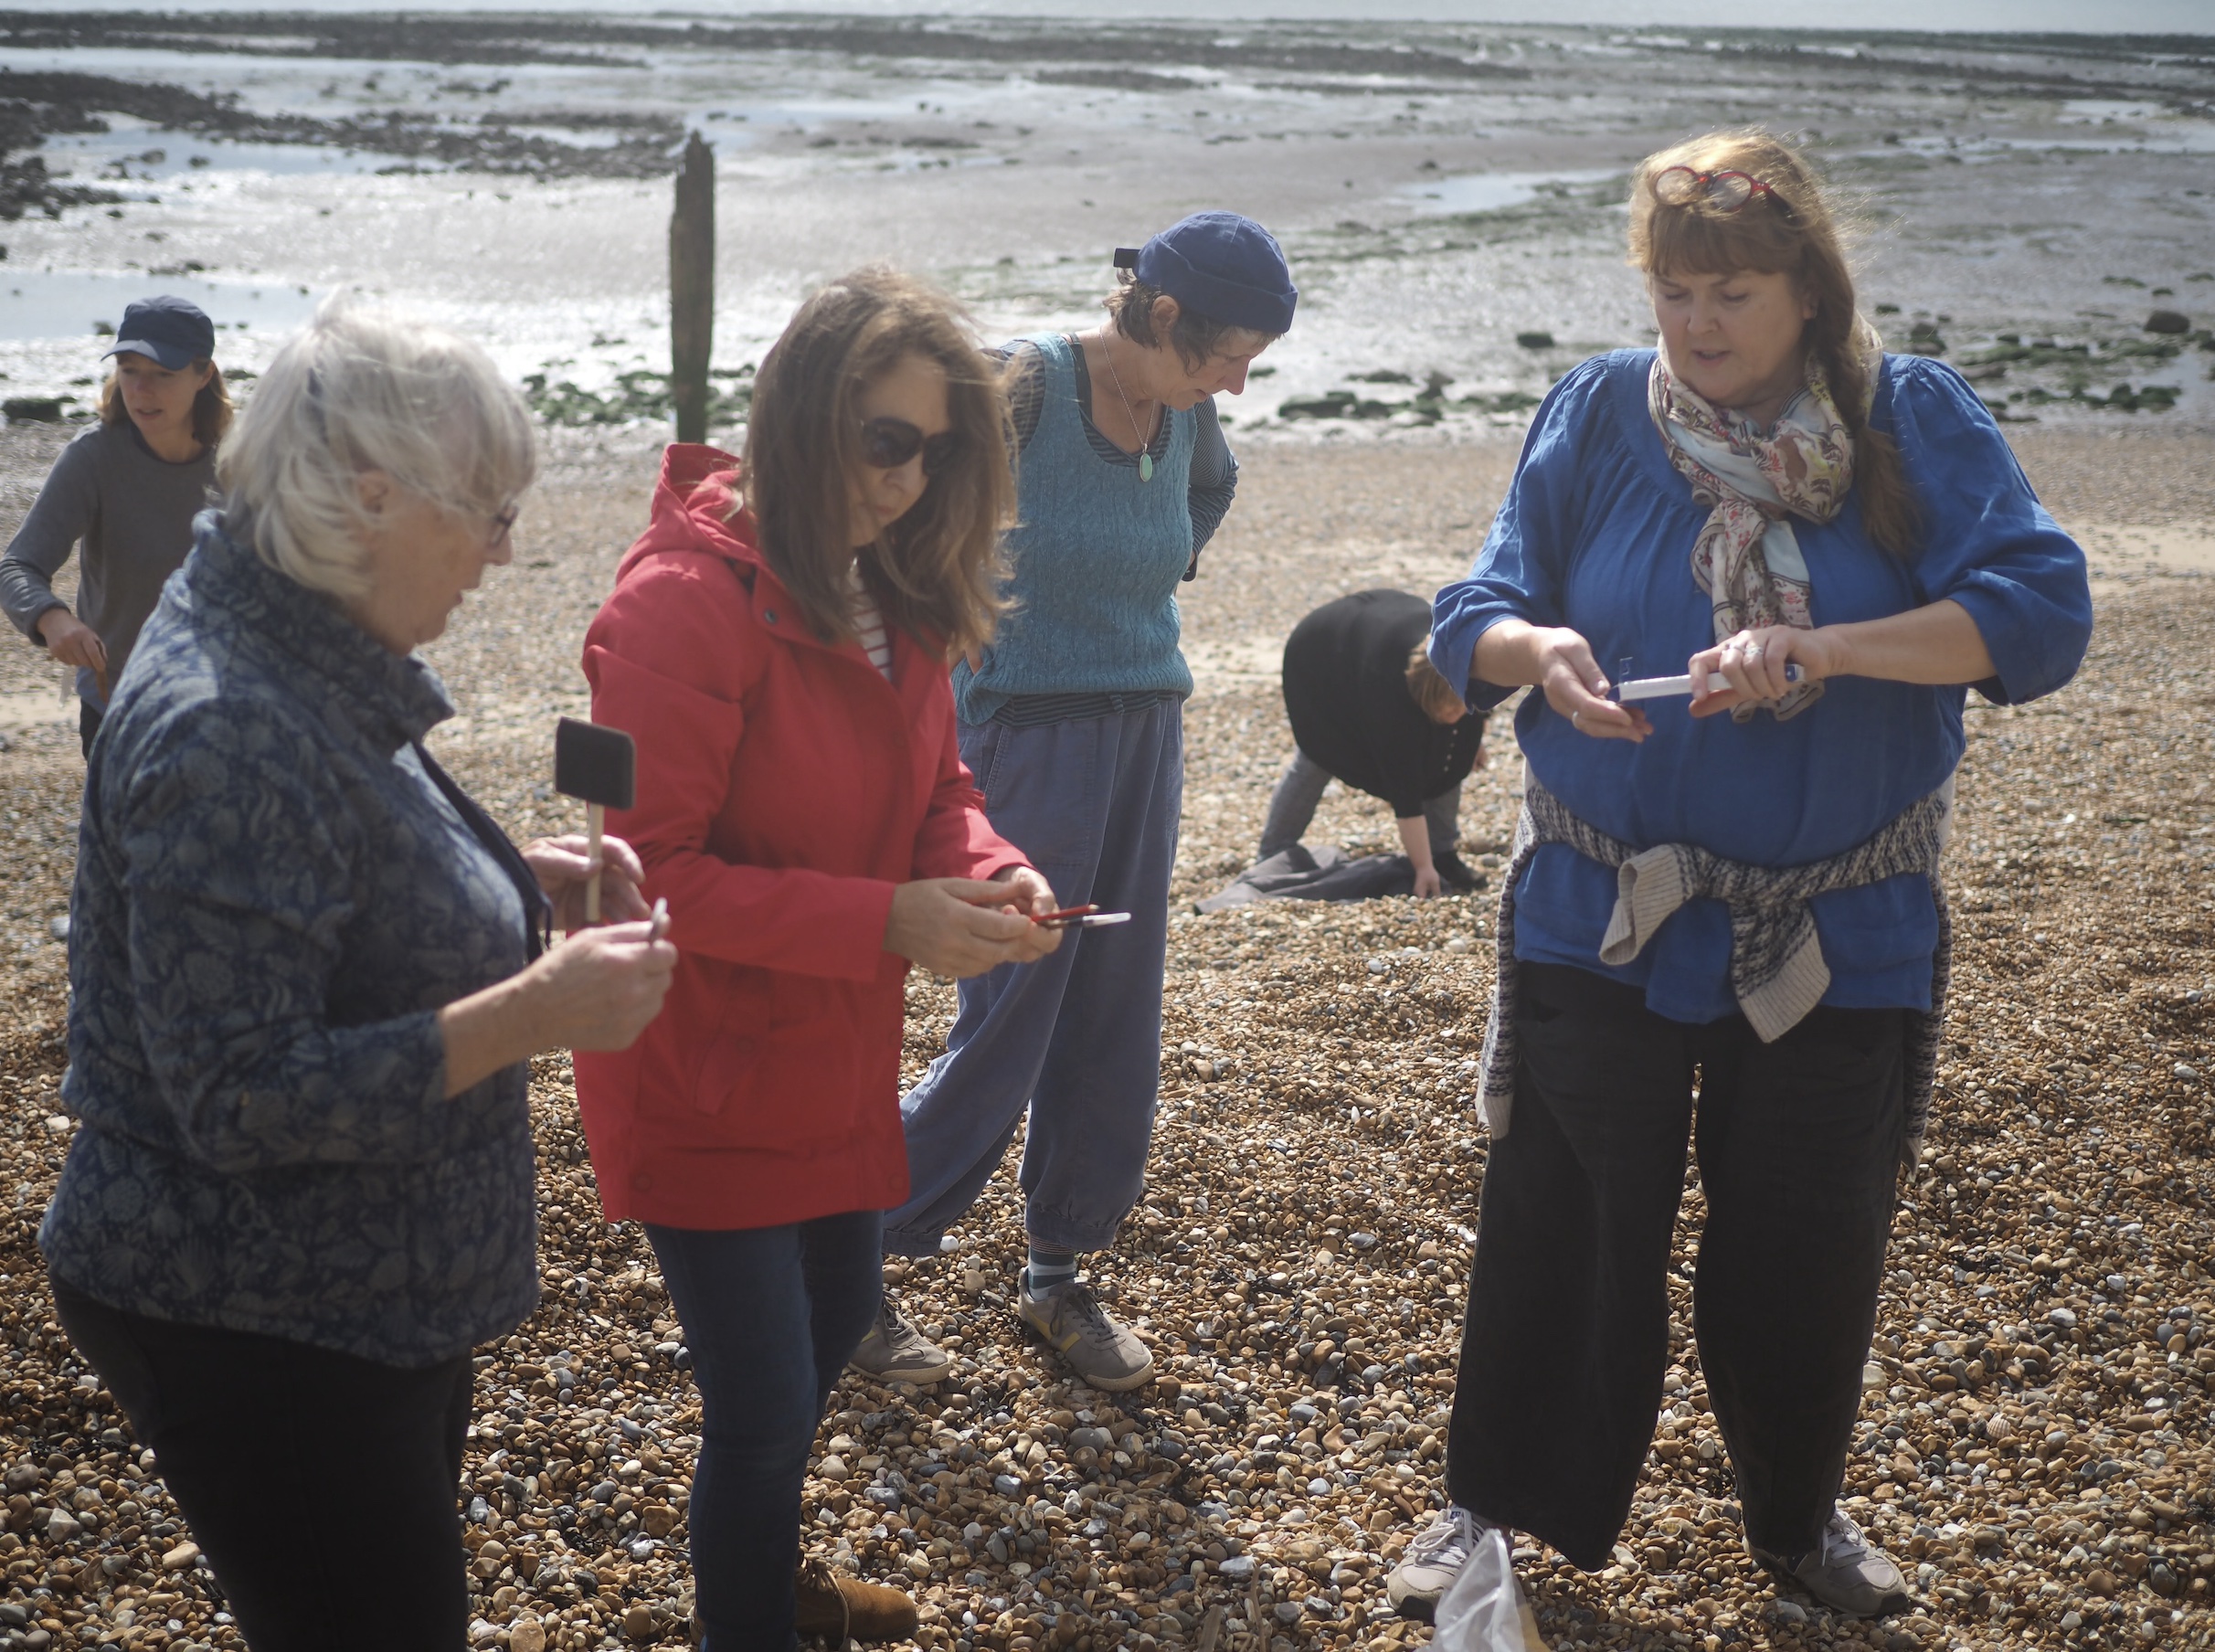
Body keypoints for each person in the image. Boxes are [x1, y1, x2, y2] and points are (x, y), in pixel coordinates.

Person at [1386, 131, 2092, 1624]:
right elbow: (1475, 606)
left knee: (1804, 1236)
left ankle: (1790, 1514)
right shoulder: (1591, 410)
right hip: (1600, 911)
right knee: (1560, 1225)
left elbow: (2034, 611)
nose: (1698, 326)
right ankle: (1491, 1505)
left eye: (1731, 293)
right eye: (1674, 295)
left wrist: (1824, 650)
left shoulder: (1903, 422)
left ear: (1805, 291)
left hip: (1839, 928)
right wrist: (1533, 651)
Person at [38, 299, 678, 1652]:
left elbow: (339, 869)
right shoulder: (231, 717)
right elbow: (242, 1096)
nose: (502, 559)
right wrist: (537, 1010)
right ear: (373, 496)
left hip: (344, 1304)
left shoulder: (298, 635)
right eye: (489, 515)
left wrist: (514, 887)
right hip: (251, 1316)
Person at [574, 268, 1062, 1650]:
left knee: (840, 1315)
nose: (909, 480)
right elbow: (647, 876)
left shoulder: (885, 588)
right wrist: (887, 922)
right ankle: (751, 1623)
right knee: (764, 1398)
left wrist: (982, 866)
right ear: (800, 412)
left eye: (939, 449)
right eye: (885, 440)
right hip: (706, 1066)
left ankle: (771, 1575)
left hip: (832, 1057)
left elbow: (937, 789)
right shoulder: (682, 605)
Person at [853, 212, 1294, 1393]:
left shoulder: (1188, 412)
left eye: (1252, 361)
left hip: (1146, 730)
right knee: (1009, 1015)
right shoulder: (1025, 388)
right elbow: (904, 522)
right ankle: (841, 1264)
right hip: (1022, 737)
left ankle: (1056, 1273)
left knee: (1113, 1013)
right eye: (1223, 357)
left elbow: (1205, 499)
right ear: (1156, 315)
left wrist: (1134, 588)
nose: (1235, 385)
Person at [1, 296, 231, 757]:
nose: (141, 389)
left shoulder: (240, 463)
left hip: (224, 703)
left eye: (163, 374)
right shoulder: (94, 457)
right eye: (129, 370)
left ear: (203, 375)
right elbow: (17, 567)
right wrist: (53, 619)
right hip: (117, 704)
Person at [1259, 588, 1489, 897]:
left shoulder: (1461, 664)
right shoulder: (1391, 702)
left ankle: (1443, 853)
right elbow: (1404, 790)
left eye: (1462, 707)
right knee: (1317, 756)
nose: (1457, 716)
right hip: (1322, 656)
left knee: (1449, 760)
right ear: (1421, 698)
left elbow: (1470, 715)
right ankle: (1274, 850)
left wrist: (1473, 741)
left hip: (1378, 632)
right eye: (1449, 710)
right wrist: (1421, 869)